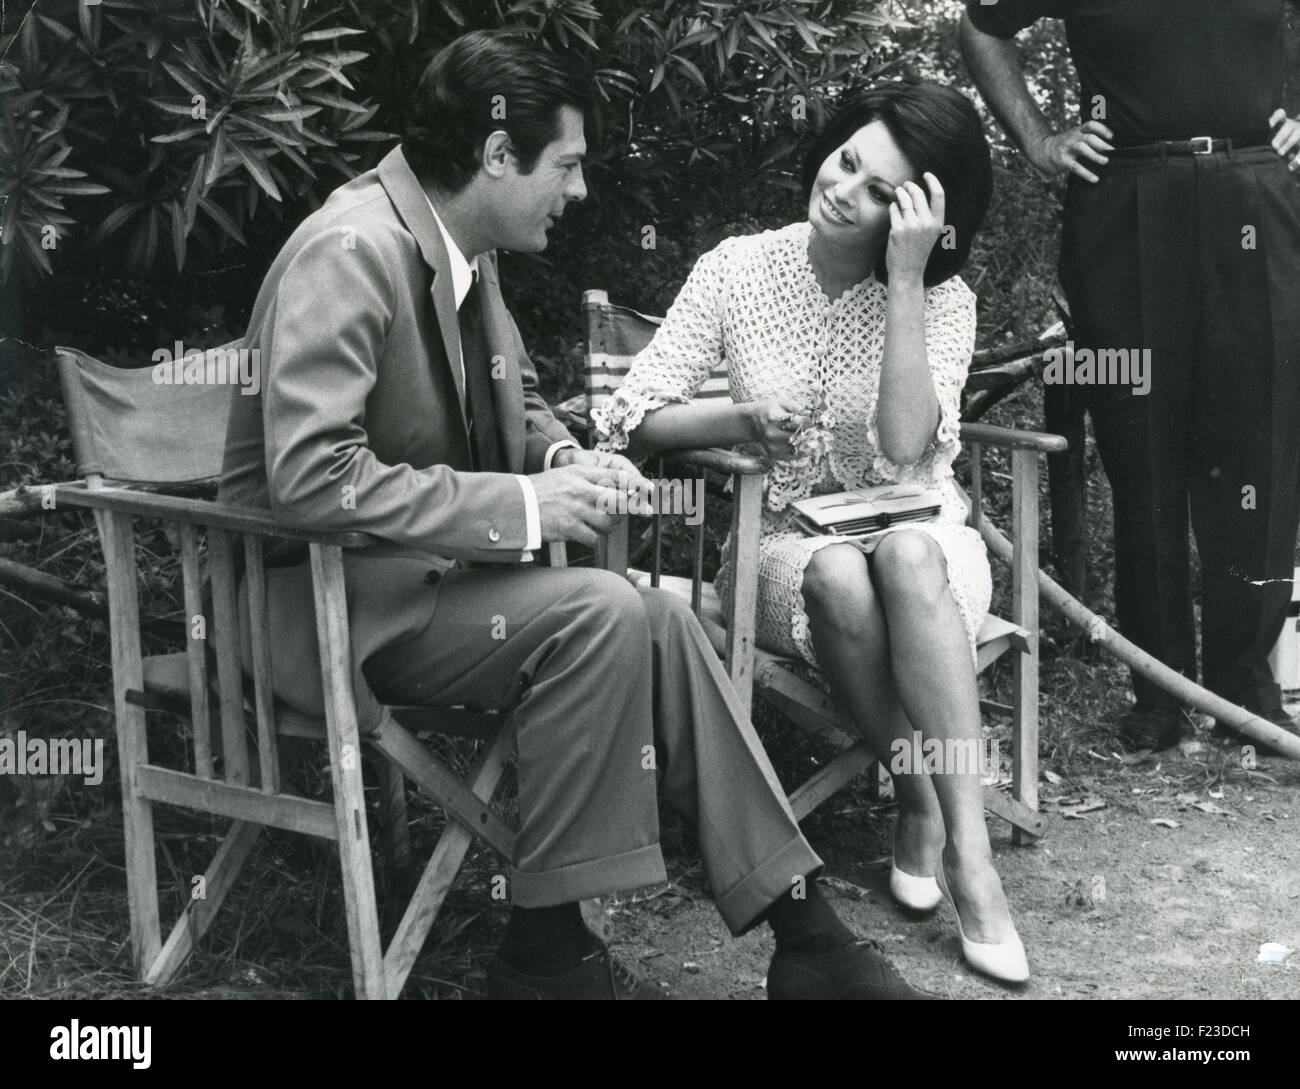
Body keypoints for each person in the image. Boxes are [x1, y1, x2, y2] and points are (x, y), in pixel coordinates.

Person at [219, 29, 931, 1001]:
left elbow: (516, 414)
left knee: (659, 616)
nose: (580, 191)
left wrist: (563, 459)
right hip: (321, 611)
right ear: (497, 156)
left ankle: (796, 927)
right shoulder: (351, 253)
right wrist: (522, 503)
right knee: (601, 613)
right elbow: (310, 477)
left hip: (412, 591)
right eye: (566, 165)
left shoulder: (458, 252)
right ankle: (549, 957)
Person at [594, 82, 1029, 984]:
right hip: (786, 541)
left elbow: (909, 453)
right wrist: (739, 416)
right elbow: (629, 416)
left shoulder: (945, 301)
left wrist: (904, 280)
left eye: (881, 190)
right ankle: (917, 790)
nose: (843, 189)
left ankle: (969, 855)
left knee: (906, 555)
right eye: (846, 161)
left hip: (925, 540)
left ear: (920, 214)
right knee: (836, 573)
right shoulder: (739, 269)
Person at [959, 1, 1300, 752]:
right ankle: (1159, 692)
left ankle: (1246, 692)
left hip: (1257, 187)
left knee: (1262, 445)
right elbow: (981, 26)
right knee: (1140, 449)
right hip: (1127, 200)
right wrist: (1038, 140)